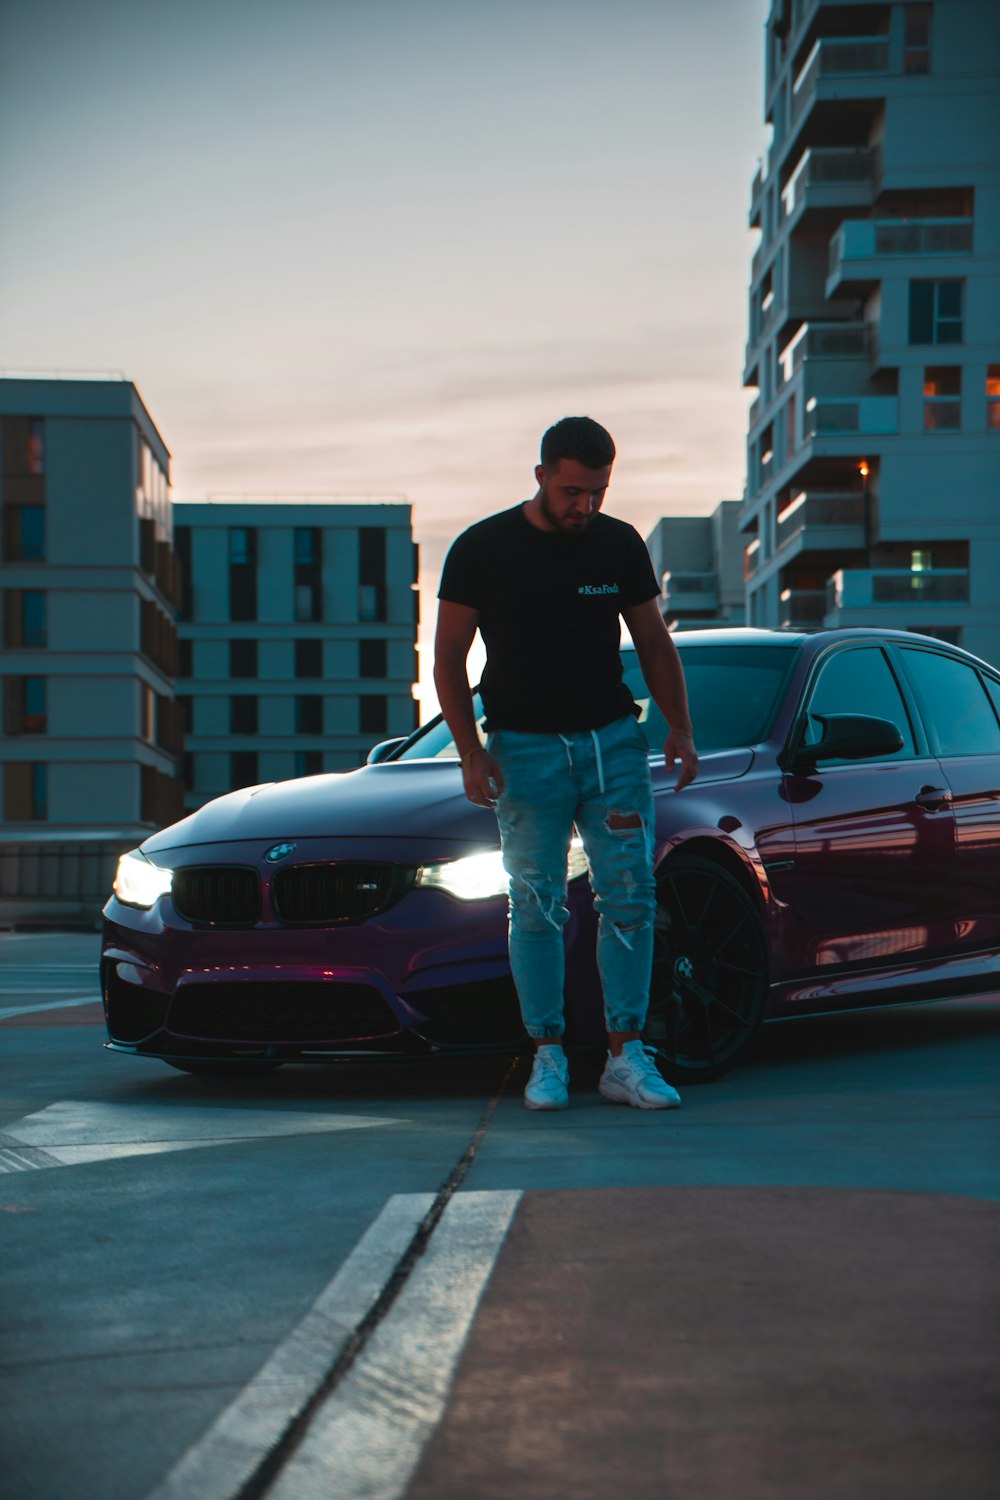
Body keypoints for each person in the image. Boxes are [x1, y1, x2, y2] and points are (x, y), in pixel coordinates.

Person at [434, 416, 698, 1111]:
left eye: (599, 493)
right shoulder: (482, 548)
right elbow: (448, 658)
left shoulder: (616, 544)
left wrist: (680, 727)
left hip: (612, 743)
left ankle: (625, 1056)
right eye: (575, 491)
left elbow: (653, 640)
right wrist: (469, 751)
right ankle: (546, 1054)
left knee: (630, 899)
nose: (586, 507)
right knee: (537, 906)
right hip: (523, 750)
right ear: (543, 475)